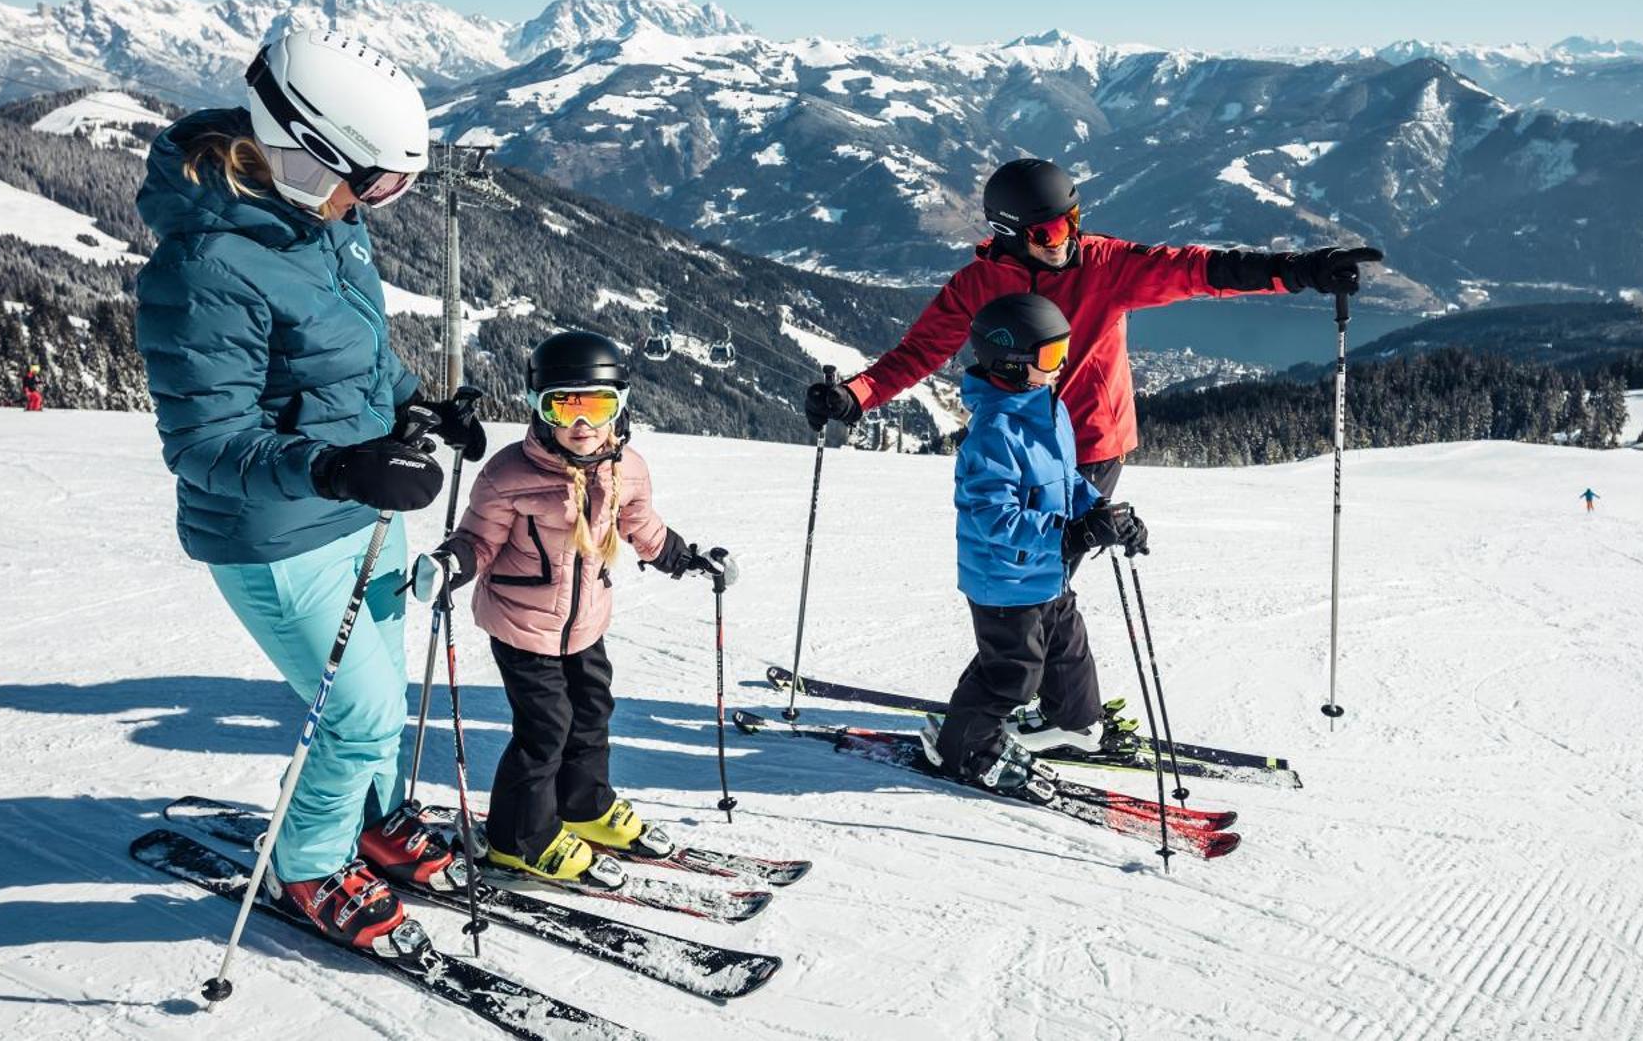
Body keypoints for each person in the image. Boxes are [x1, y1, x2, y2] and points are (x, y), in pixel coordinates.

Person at [134, 29, 486, 957]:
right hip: (275, 533)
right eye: (374, 182)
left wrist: (423, 407)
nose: (381, 202)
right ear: (304, 150)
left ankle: (370, 816)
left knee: (383, 696)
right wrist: (332, 466)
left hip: (359, 514)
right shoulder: (204, 265)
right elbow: (204, 442)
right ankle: (309, 863)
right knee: (359, 709)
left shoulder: (324, 220)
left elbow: (357, 351)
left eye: (393, 185)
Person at [804, 157, 1383, 510]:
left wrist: (1299, 270)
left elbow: (1202, 268)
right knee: (1015, 569)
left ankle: (1048, 695)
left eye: (1072, 222)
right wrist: (855, 395)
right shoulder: (978, 284)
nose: (1067, 239)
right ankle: (1041, 688)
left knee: (1045, 573)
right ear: (1012, 232)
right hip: (1016, 445)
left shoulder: (1106, 264)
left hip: (1089, 445)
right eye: (1052, 229)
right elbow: (921, 351)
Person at [414, 330, 738, 886]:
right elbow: (479, 540)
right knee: (545, 728)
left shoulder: (627, 469)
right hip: (521, 623)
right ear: (539, 409)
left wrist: (686, 559)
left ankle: (584, 807)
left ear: (621, 407)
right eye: (563, 405)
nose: (582, 423)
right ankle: (521, 838)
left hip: (586, 623)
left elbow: (642, 528)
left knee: (591, 713)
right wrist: (451, 565)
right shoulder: (509, 474)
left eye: (597, 405)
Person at [920, 294, 1149, 799]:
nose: (1061, 363)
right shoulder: (994, 435)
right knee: (1011, 674)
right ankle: (961, 751)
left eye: (1063, 350)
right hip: (1003, 580)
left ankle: (1073, 720)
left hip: (1044, 571)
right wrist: (1066, 535)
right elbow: (991, 517)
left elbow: (1067, 481)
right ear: (1011, 362)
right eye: (1050, 356)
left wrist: (1102, 513)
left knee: (1067, 647)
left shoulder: (1051, 409)